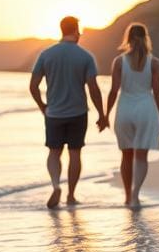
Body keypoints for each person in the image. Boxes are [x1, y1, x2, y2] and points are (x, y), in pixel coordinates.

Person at [29, 16, 107, 208]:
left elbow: (33, 86)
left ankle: (56, 185)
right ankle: (71, 196)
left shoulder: (46, 54)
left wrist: (42, 106)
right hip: (78, 112)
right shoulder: (86, 56)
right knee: (75, 154)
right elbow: (93, 88)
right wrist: (102, 114)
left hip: (53, 113)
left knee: (54, 152)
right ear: (76, 31)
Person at [104, 23, 159, 209]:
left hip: (125, 109)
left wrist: (106, 114)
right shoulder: (154, 62)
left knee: (126, 155)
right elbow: (157, 92)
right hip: (145, 109)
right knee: (141, 155)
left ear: (127, 38)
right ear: (146, 37)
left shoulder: (119, 61)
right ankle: (136, 195)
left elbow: (113, 91)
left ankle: (127, 196)